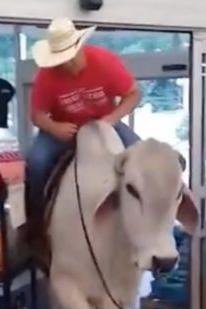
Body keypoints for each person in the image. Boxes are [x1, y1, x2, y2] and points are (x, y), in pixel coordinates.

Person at [26, 17, 142, 218]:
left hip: (104, 123)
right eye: (61, 60)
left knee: (141, 155)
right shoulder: (46, 75)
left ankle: (143, 215)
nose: (68, 64)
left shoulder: (105, 62)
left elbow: (133, 94)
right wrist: (54, 127)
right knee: (37, 162)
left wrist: (110, 120)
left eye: (70, 56)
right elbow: (37, 115)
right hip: (64, 129)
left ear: (80, 47)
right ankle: (36, 221)